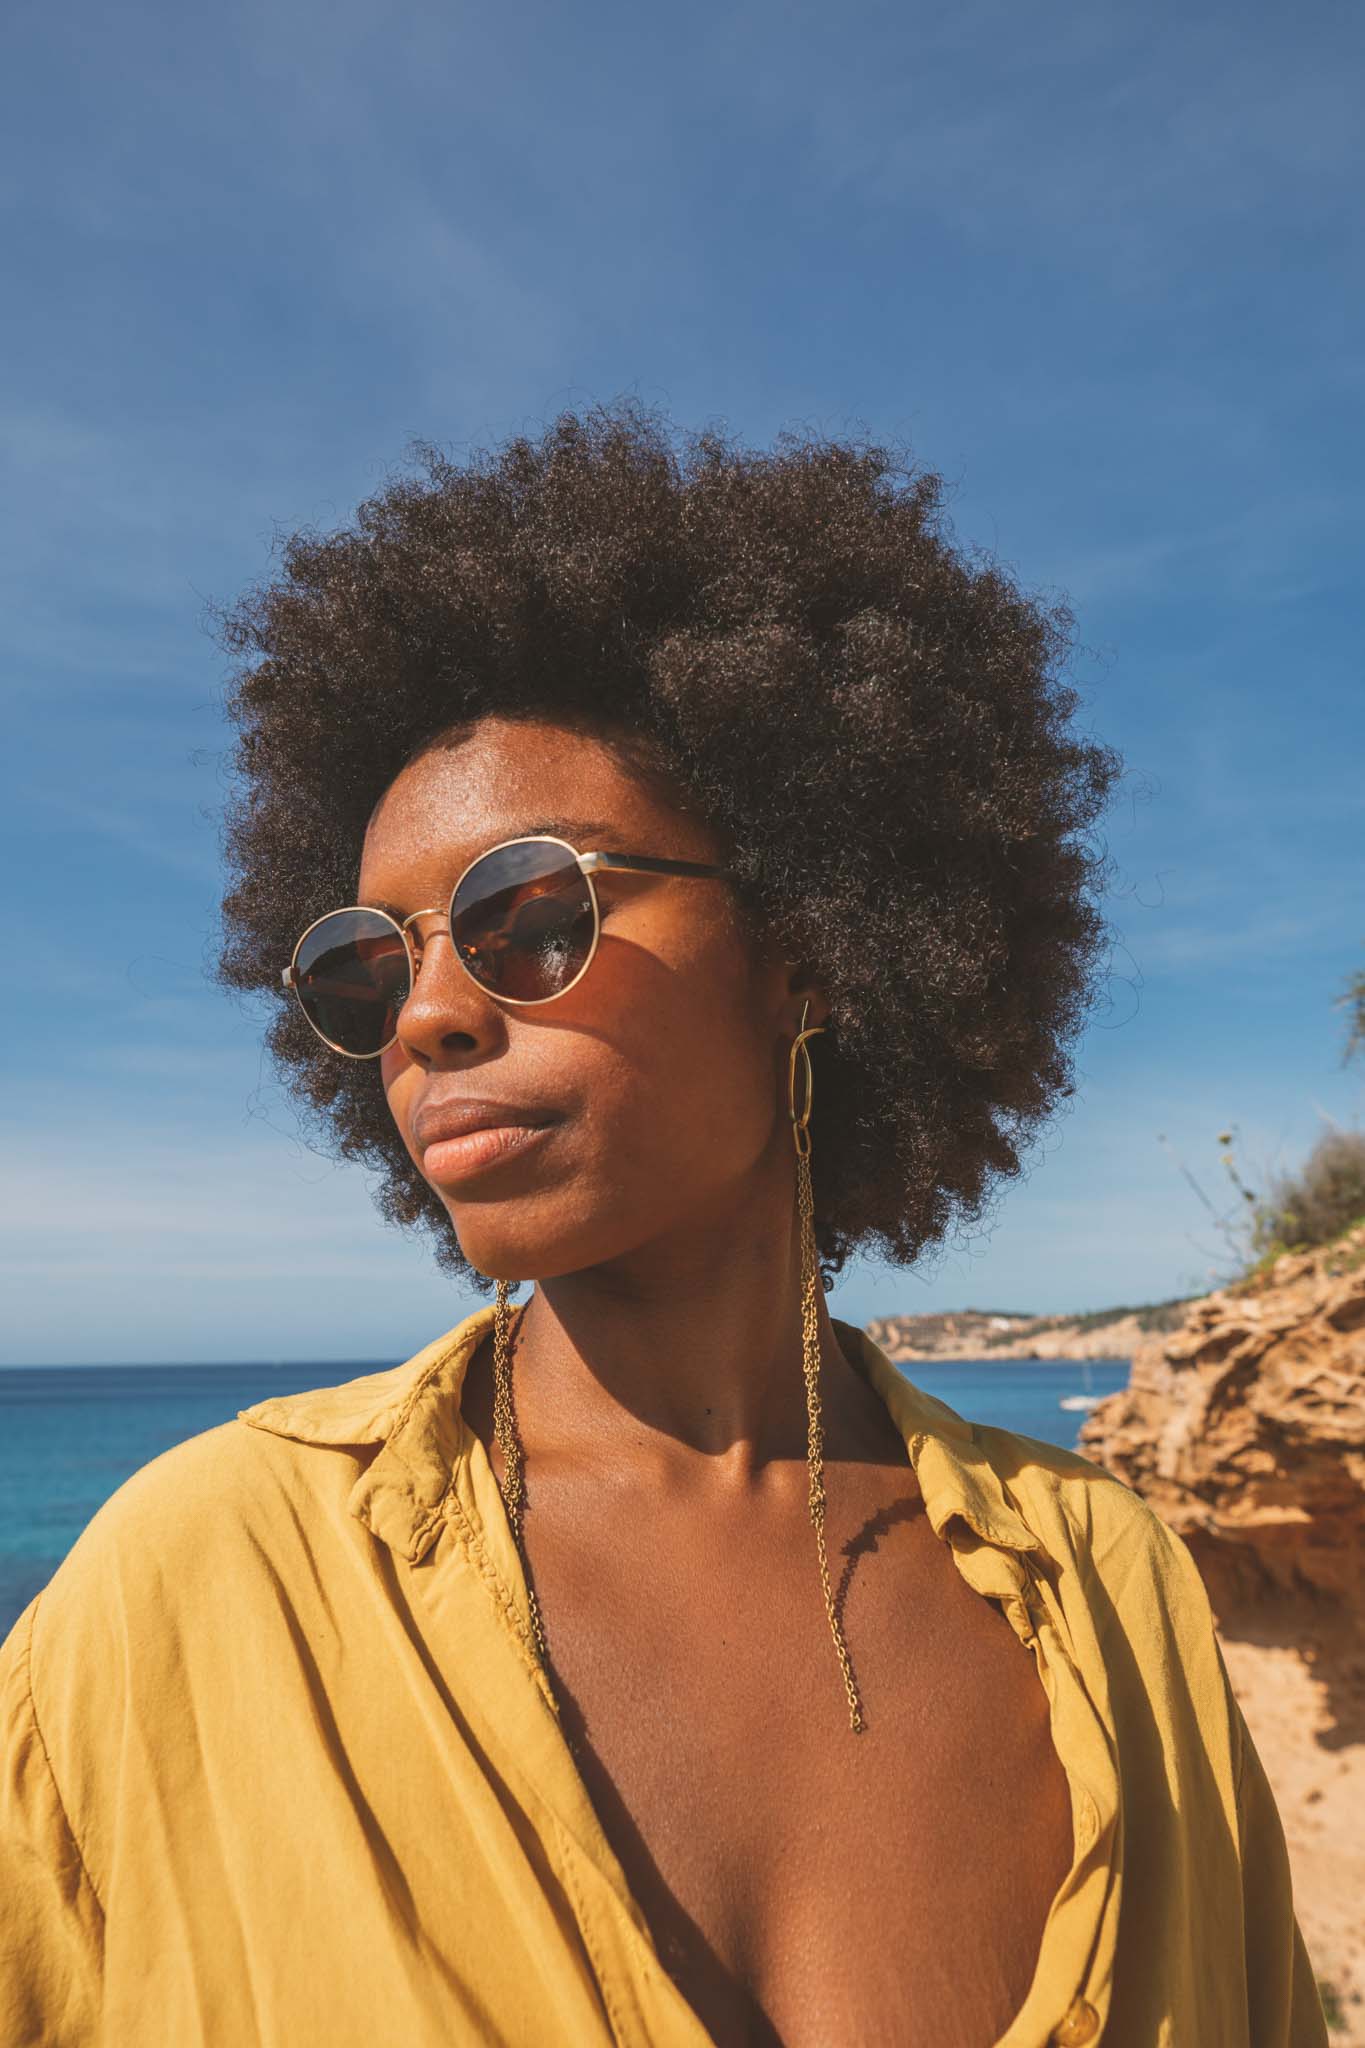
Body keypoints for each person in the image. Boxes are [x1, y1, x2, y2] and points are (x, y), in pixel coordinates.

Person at [0, 403, 1326, 2046]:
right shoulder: (203, 1586)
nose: (427, 1016)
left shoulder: (1104, 1586)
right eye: (371, 963)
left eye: (526, 913)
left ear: (811, 943)